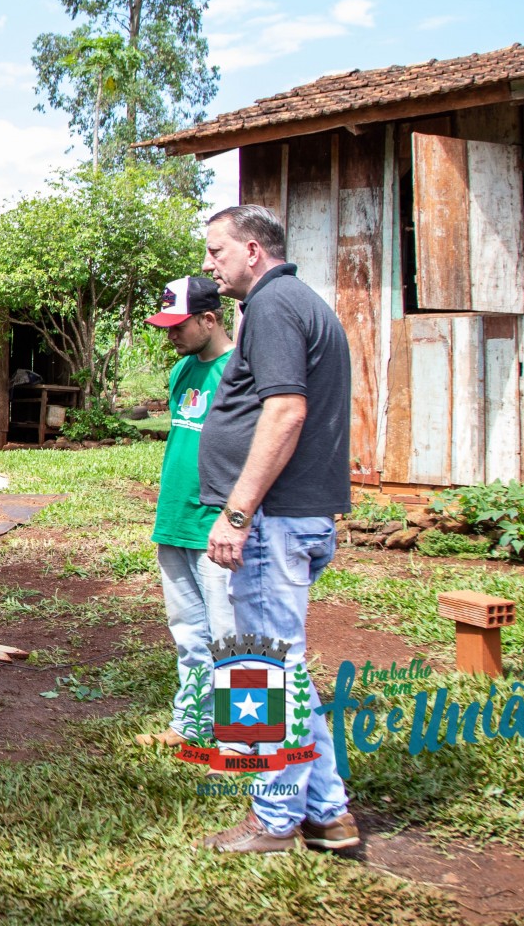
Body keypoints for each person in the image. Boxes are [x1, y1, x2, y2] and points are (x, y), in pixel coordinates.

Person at [197, 205, 360, 855]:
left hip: (273, 520)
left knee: (262, 672)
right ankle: (327, 811)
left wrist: (237, 513)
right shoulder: (299, 303)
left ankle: (274, 818)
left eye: (217, 251)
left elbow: (286, 411)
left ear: (254, 250)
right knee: (282, 664)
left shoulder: (271, 307)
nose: (210, 265)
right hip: (297, 517)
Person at [134, 275, 234, 751]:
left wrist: (236, 517)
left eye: (178, 326)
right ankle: (192, 724)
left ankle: (250, 740)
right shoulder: (181, 373)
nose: (170, 336)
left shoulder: (242, 372)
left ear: (210, 319)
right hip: (175, 519)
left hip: (220, 525)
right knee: (190, 634)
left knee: (238, 638)